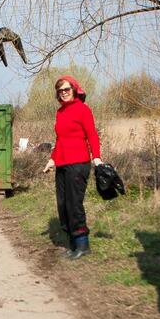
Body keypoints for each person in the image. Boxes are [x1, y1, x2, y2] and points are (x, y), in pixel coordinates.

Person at [42, 75, 102, 260]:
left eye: (67, 89)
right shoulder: (60, 112)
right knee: (62, 204)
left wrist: (97, 158)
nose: (64, 93)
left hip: (78, 163)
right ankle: (72, 243)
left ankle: (83, 244)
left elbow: (92, 135)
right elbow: (60, 140)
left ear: (74, 90)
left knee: (74, 204)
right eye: (60, 91)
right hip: (62, 164)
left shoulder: (83, 110)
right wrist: (52, 160)